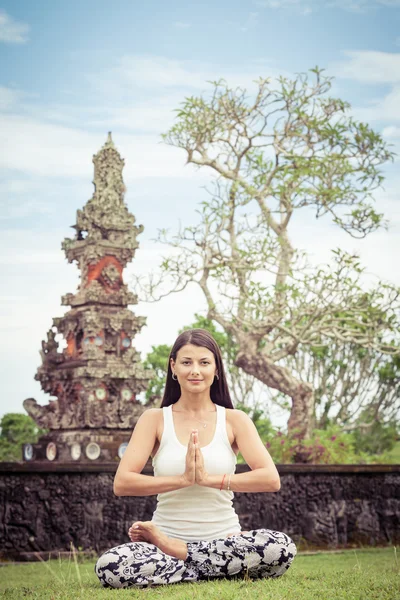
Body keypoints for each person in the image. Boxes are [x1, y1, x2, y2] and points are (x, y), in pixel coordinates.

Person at [95, 329, 297, 588]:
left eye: (204, 363)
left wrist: (208, 479)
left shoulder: (235, 420)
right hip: (166, 540)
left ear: (216, 370)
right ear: (173, 367)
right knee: (110, 566)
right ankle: (219, 566)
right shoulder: (154, 419)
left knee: (281, 547)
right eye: (186, 362)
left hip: (224, 538)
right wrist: (182, 479)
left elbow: (270, 479)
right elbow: (122, 483)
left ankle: (182, 557)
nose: (195, 371)